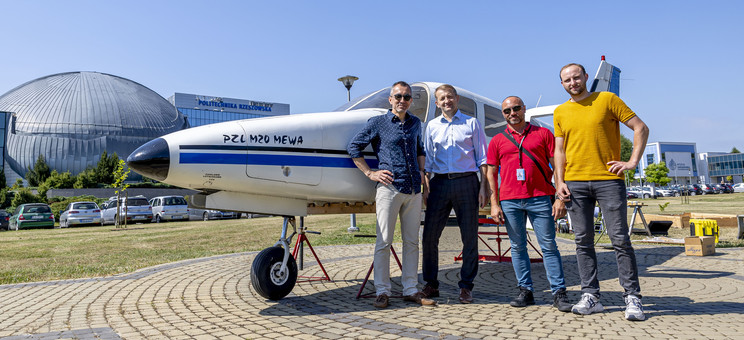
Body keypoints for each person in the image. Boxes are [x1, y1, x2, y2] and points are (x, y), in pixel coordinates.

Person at [554, 63, 649, 321]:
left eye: (576, 77)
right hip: (574, 183)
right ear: (562, 84)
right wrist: (559, 182)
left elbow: (640, 127)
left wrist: (631, 162)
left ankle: (632, 298)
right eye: (567, 80)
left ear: (586, 77)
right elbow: (559, 150)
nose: (573, 83)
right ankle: (591, 296)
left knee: (619, 239)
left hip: (608, 180)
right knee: (582, 242)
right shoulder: (561, 111)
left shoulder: (607, 99)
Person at [347, 81, 435, 309]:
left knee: (412, 242)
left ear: (410, 101)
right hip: (389, 189)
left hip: (414, 189)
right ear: (390, 99)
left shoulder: (416, 123)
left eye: (406, 97)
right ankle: (382, 291)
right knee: (384, 242)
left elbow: (419, 151)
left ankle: (410, 289)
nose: (402, 101)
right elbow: (354, 147)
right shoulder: (378, 122)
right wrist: (370, 173)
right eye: (398, 96)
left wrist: (423, 176)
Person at [486, 96, 573, 312]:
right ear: (503, 114)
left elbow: (558, 166)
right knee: (517, 247)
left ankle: (559, 292)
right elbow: (491, 173)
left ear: (524, 109)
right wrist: (494, 204)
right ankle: (525, 290)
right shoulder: (497, 140)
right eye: (507, 111)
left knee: (549, 247)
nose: (512, 113)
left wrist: (560, 197)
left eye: (516, 109)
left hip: (540, 197)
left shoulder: (543, 134)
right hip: (510, 201)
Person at [421, 84, 488, 304]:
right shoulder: (431, 126)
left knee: (469, 237)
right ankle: (431, 284)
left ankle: (466, 286)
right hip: (439, 183)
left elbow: (482, 158)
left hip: (467, 182)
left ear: (456, 98)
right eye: (442, 98)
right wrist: (426, 186)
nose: (447, 101)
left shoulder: (471, 123)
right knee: (429, 236)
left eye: (450, 97)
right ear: (437, 102)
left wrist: (483, 187)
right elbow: (428, 159)